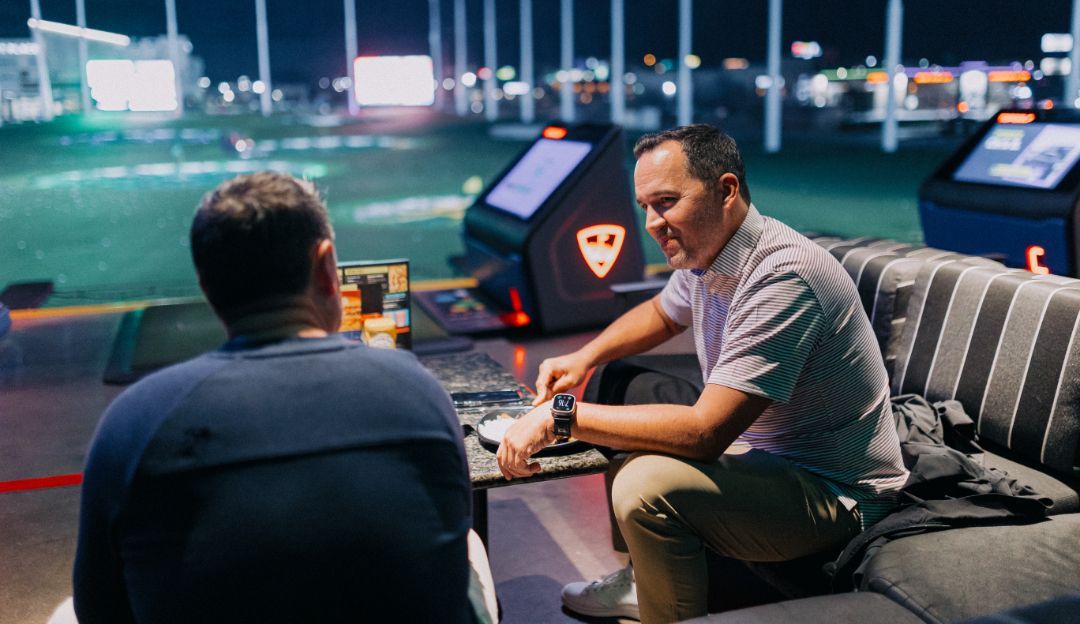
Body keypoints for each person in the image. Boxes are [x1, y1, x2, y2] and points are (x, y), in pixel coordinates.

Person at [496, 125, 908, 624]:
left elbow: (705, 433)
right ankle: (644, 578)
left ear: (726, 190)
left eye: (666, 202)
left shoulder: (784, 276)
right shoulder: (708, 250)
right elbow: (663, 313)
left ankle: (665, 607)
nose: (653, 223)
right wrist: (584, 357)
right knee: (623, 381)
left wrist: (561, 417)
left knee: (644, 483)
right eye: (646, 206)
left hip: (836, 494)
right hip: (768, 458)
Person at [73, 172, 496, 623]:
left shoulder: (135, 422)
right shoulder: (418, 391)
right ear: (326, 267)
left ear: (206, 283)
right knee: (469, 543)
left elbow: (99, 607)